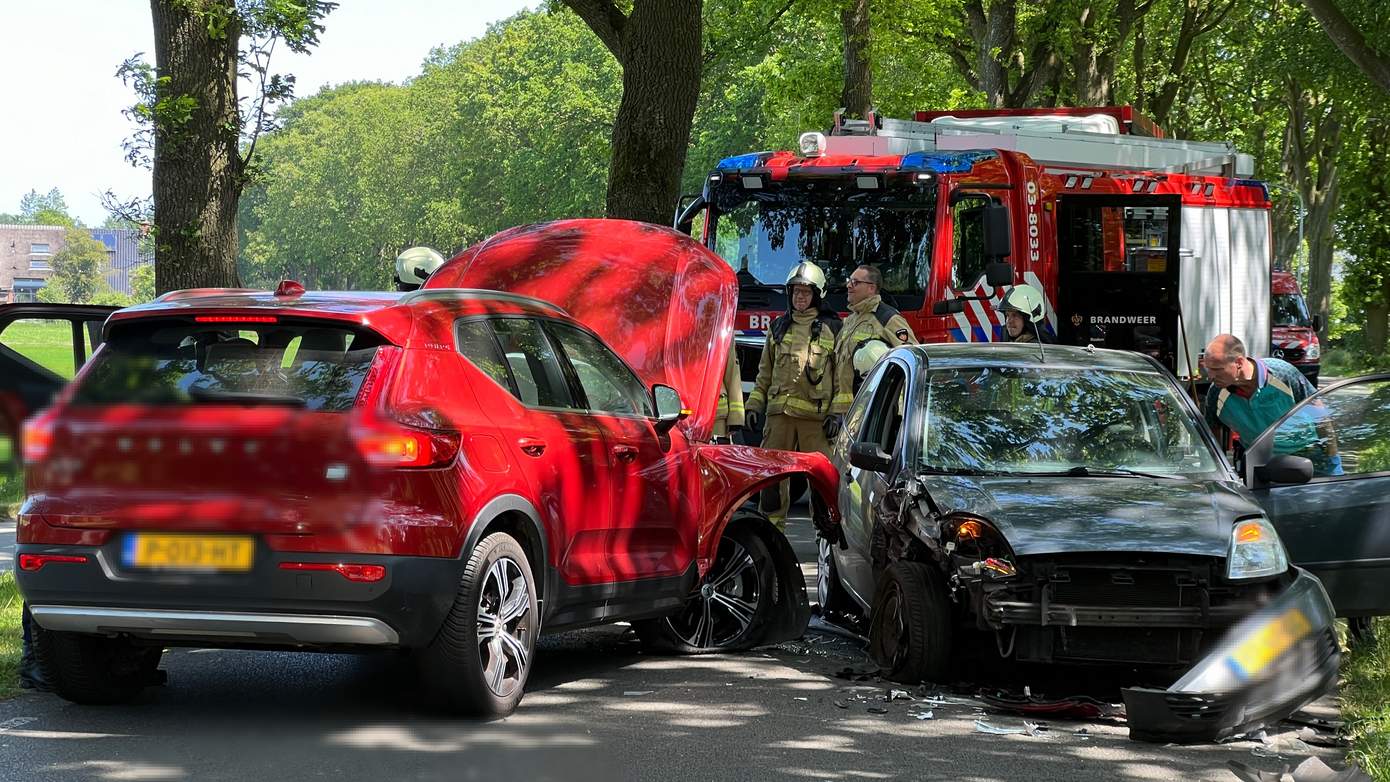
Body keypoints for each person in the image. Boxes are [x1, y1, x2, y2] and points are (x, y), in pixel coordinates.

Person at [745, 261, 842, 526]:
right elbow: (764, 373)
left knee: (823, 483)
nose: (800, 297)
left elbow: (841, 380)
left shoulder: (833, 329)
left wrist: (837, 414)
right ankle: (773, 538)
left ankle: (827, 540)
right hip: (779, 419)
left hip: (817, 422)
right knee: (771, 484)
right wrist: (754, 405)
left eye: (806, 292)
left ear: (817, 296)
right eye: (796, 292)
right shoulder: (778, 328)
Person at [1201, 334, 1317, 444]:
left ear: (1239, 362)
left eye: (1217, 369)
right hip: (1256, 458)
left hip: (1305, 453)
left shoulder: (1283, 374)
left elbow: (1318, 410)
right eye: (1208, 369)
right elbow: (1212, 433)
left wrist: (1332, 458)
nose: (1210, 376)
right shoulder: (1216, 393)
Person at [834, 264, 917, 405]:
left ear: (871, 288)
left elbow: (913, 360)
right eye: (849, 281)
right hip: (844, 411)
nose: (848, 285)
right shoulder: (850, 320)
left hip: (869, 411)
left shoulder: (887, 318)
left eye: (855, 282)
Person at [712, 342, 745, 444]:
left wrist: (736, 418)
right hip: (683, 413)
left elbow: (732, 374)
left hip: (716, 416)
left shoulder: (720, 330)